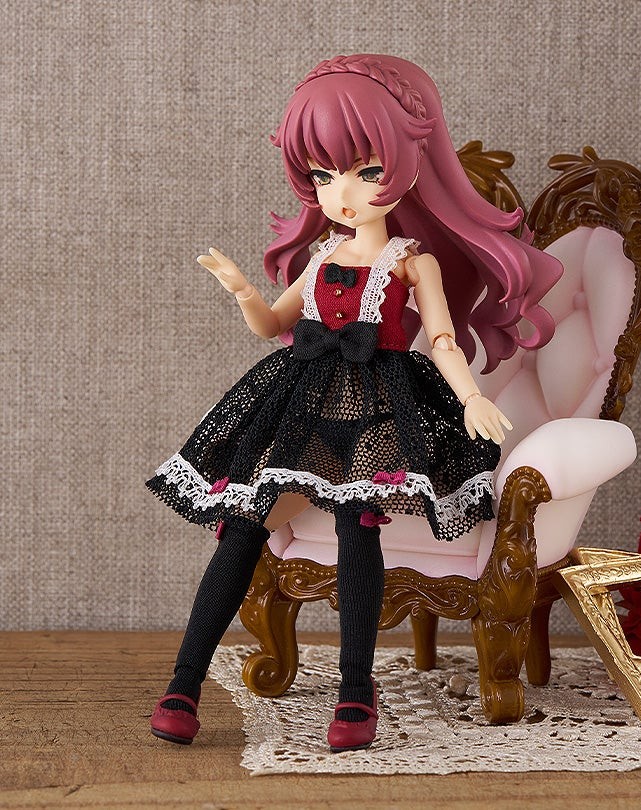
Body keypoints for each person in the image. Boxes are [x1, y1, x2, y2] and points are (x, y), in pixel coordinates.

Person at [147, 54, 563, 752]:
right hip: (300, 404)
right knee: (243, 523)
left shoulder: (412, 261)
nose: (340, 194)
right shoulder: (320, 256)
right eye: (322, 175)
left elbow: (442, 339)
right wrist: (243, 290)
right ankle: (183, 684)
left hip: (379, 408)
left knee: (357, 523)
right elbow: (274, 325)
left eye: (365, 172)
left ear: (410, 166)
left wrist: (469, 398)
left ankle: (354, 691)